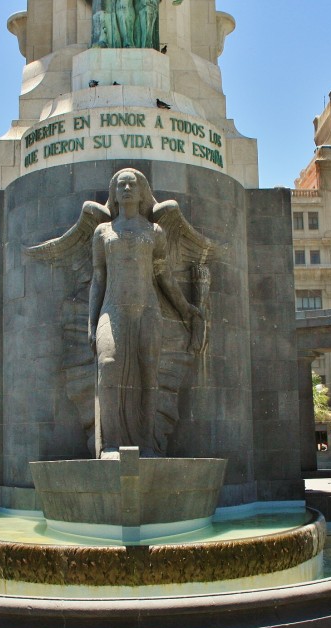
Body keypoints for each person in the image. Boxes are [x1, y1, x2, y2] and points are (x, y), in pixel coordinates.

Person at [88, 169, 202, 456]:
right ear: (113, 193)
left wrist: (184, 307)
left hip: (148, 311)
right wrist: (91, 323)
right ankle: (111, 444)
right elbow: (98, 278)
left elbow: (164, 275)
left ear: (142, 193)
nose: (127, 188)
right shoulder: (102, 232)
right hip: (111, 311)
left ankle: (147, 444)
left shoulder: (155, 232)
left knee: (148, 373)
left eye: (133, 184)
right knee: (109, 366)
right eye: (121, 184)